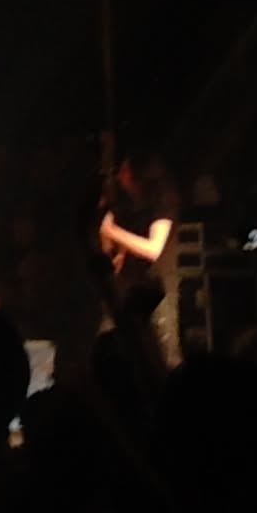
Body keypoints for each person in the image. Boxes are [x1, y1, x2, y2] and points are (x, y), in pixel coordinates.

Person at [100, 153, 180, 367]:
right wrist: (119, 253)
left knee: (162, 353)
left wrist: (111, 230)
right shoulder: (132, 204)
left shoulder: (163, 201)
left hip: (158, 289)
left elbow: (153, 248)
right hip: (133, 288)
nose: (119, 176)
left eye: (124, 171)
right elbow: (130, 239)